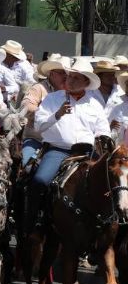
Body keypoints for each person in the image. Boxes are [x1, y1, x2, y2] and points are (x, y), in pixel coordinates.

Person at [27, 57, 111, 233]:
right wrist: (57, 115)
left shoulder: (95, 105)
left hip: (87, 154)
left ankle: (105, 226)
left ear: (86, 82)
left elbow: (103, 131)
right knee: (40, 181)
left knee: (110, 184)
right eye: (69, 76)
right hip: (59, 151)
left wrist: (104, 141)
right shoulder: (52, 99)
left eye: (75, 78)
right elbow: (38, 126)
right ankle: (34, 222)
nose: (69, 81)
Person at [19, 54, 69, 166]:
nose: (65, 76)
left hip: (61, 142)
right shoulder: (39, 88)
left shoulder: (70, 92)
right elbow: (26, 106)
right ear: (51, 74)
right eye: (61, 73)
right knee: (25, 164)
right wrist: (48, 115)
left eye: (67, 73)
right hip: (37, 139)